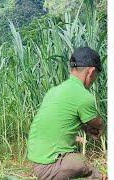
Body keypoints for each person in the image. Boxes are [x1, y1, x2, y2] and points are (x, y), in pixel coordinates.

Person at [27, 47, 105, 179]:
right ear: (91, 72)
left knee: (77, 160)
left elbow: (66, 117)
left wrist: (85, 128)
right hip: (49, 166)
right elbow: (98, 123)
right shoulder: (83, 96)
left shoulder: (54, 91)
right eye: (96, 76)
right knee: (82, 163)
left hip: (37, 161)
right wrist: (100, 128)